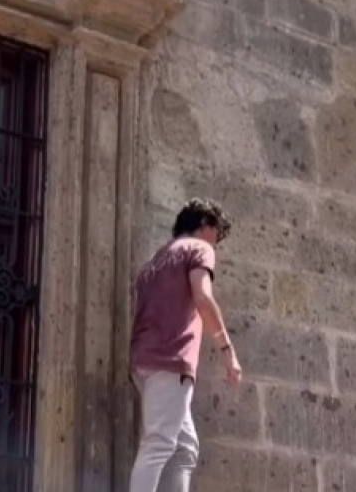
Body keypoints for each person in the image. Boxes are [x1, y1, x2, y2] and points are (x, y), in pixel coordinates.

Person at [129, 198, 242, 492]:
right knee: (158, 444)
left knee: (184, 448)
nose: (214, 246)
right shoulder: (198, 249)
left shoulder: (154, 262)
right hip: (172, 359)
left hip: (145, 361)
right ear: (204, 225)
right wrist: (227, 352)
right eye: (216, 238)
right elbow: (203, 298)